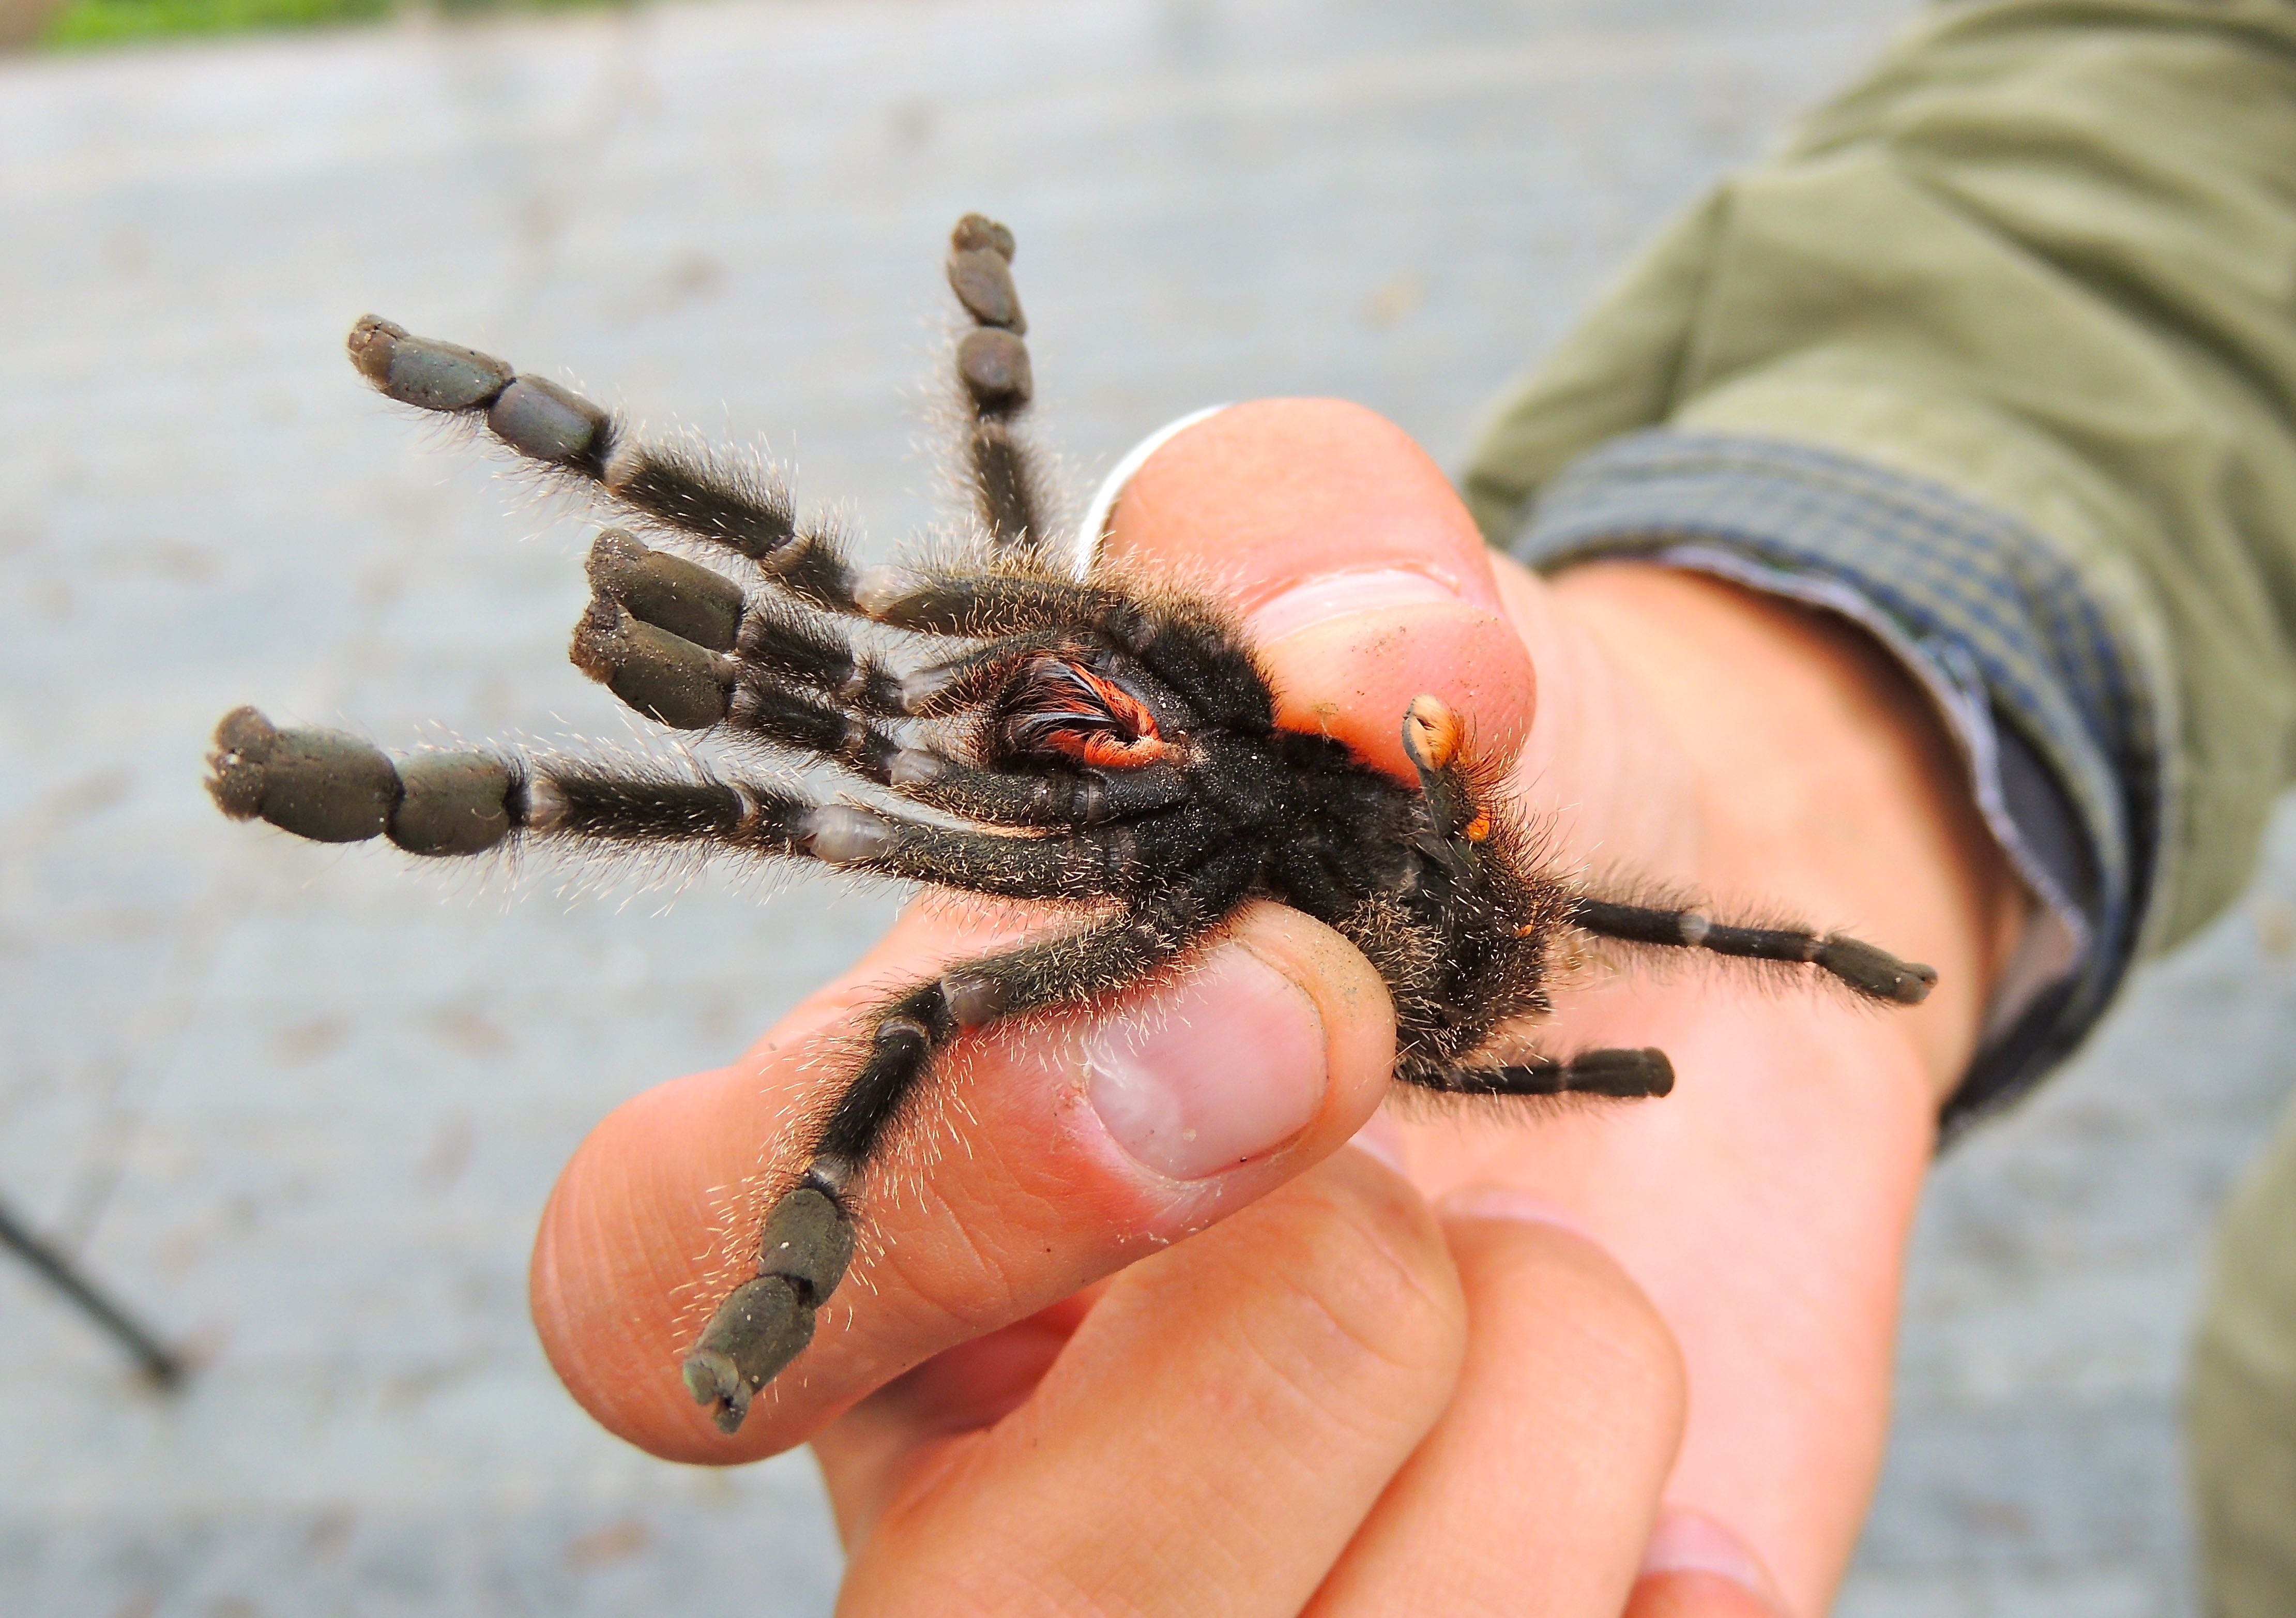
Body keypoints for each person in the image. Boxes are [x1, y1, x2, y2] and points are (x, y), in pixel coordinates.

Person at [524, 2, 2296, 1612]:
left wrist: (1582, 1026)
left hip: (1401, 931)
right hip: (1415, 916)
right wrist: (1772, 756)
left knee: (856, 851)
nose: (1075, 705)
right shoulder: (1153, 755)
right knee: (828, 762)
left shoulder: (1160, 771)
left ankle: (505, 771)